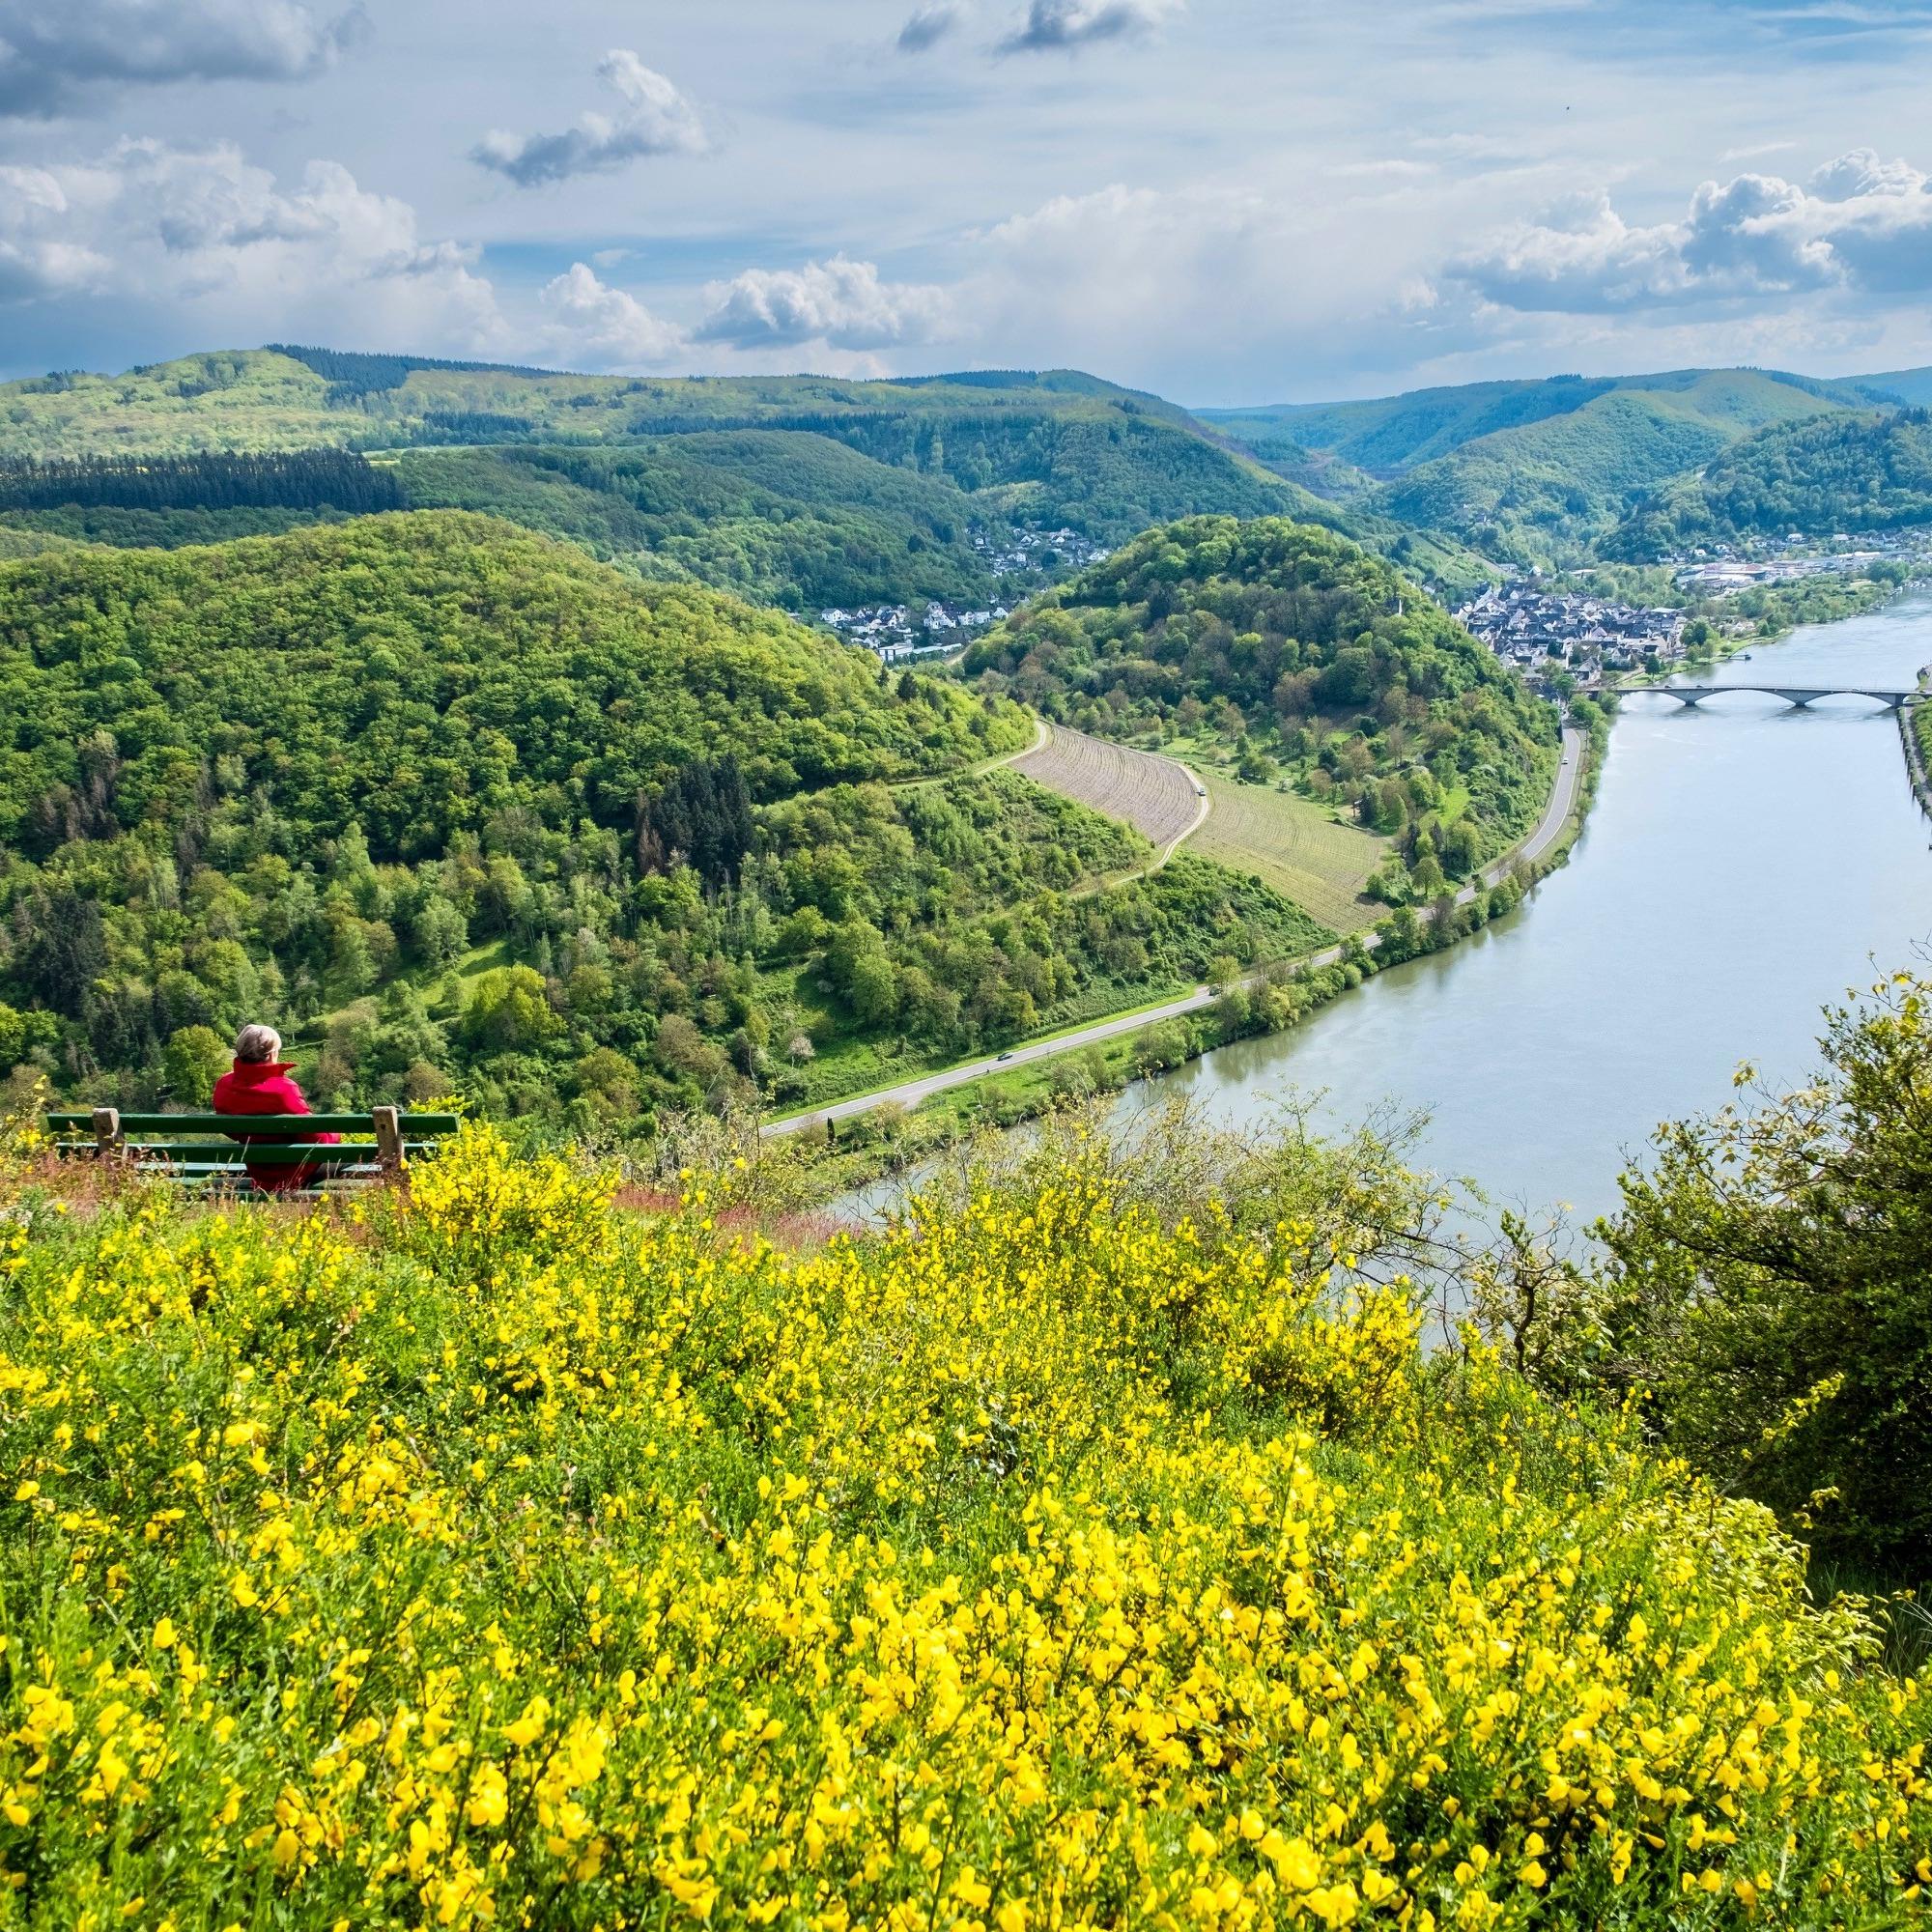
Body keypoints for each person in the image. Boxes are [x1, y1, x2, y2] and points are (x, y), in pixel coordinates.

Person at [211, 1024, 340, 1194]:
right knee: (349, 1158)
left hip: (258, 1170)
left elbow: (229, 1128)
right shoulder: (284, 1089)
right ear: (272, 1054)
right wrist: (335, 1134)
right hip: (295, 1172)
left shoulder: (224, 1085)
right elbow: (317, 1139)